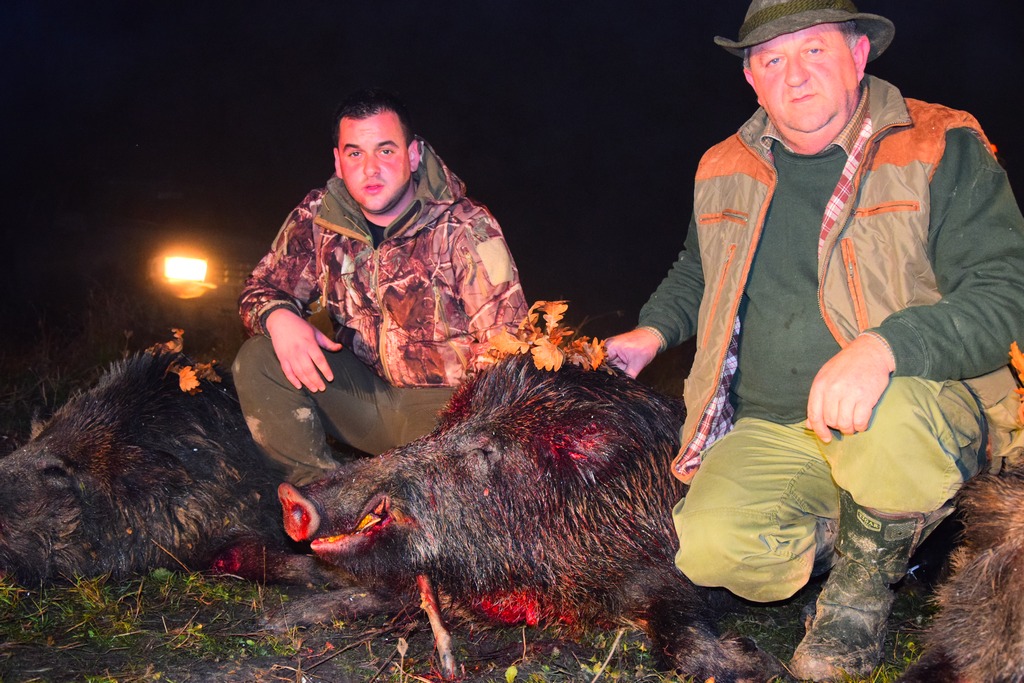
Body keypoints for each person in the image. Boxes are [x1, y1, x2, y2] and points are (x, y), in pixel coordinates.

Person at [605, 1, 1024, 679]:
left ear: (859, 54)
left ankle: (858, 601)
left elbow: (1006, 292)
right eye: (772, 59)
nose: (794, 75)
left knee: (889, 416)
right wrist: (651, 331)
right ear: (751, 78)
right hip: (777, 424)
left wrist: (883, 348)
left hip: (911, 407)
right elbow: (698, 270)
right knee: (707, 548)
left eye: (815, 51)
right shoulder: (722, 165)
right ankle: (866, 532)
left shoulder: (940, 143)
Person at [234, 87, 527, 486]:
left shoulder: (465, 226)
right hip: (363, 398)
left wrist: (468, 437)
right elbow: (260, 289)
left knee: (437, 482)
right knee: (260, 357)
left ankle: (431, 493)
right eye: (355, 153)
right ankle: (318, 495)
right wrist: (279, 317)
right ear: (338, 162)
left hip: (445, 413)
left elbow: (506, 345)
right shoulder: (319, 216)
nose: (370, 169)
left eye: (385, 151)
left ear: (413, 154)